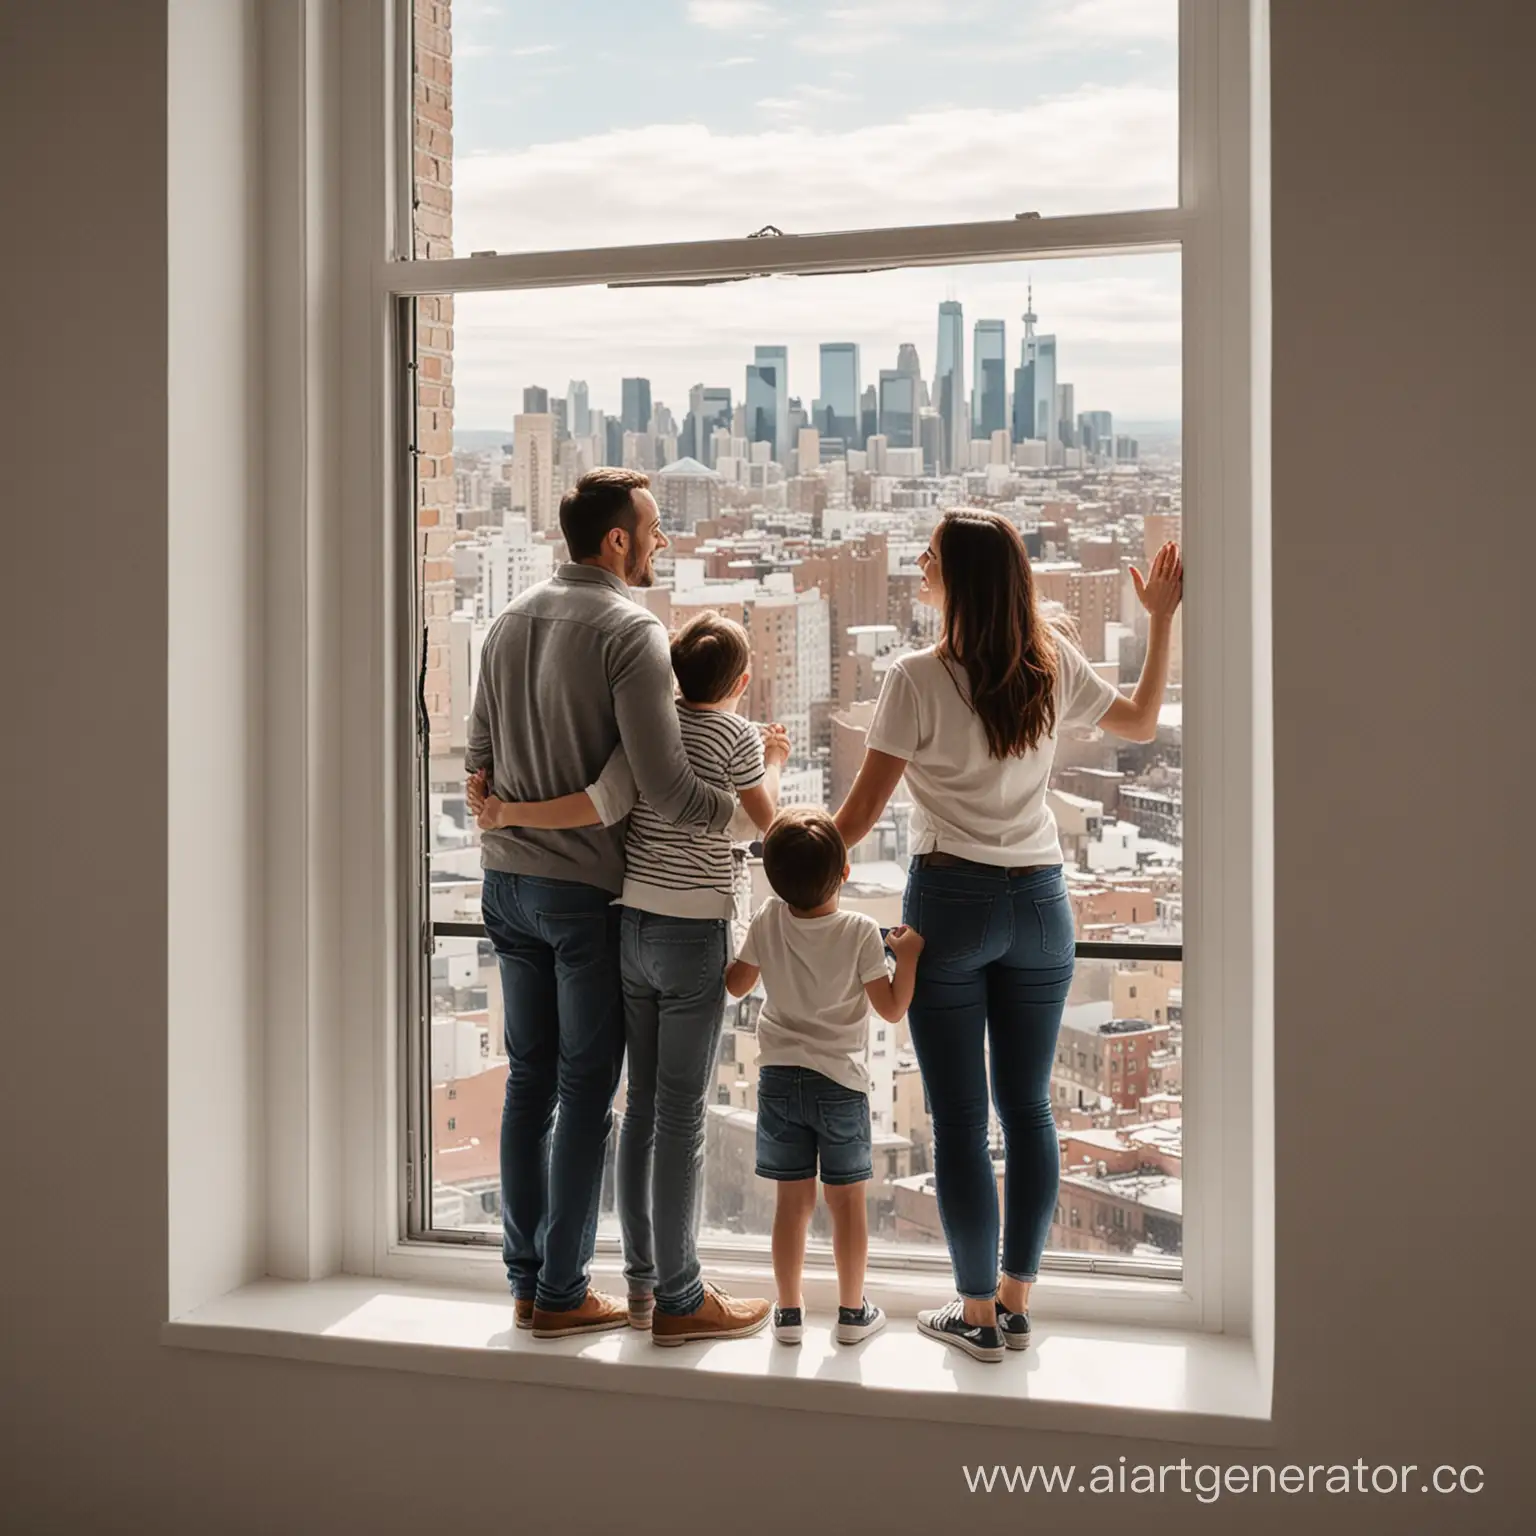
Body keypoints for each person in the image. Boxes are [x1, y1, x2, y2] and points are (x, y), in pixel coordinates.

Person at [833, 511, 1183, 1362]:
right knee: (1029, 1112)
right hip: (1040, 905)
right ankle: (1018, 1302)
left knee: (958, 1122)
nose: (919, 563)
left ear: (960, 576)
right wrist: (1161, 618)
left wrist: (768, 834)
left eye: (932, 555)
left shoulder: (915, 677)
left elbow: (854, 824)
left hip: (949, 903)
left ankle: (977, 1315)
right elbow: (1139, 721)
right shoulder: (1049, 660)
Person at [464, 468, 737, 1340]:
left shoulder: (508, 621)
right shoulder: (631, 630)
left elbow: (476, 757)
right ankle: (561, 1292)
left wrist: (503, 805)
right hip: (583, 894)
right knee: (587, 1091)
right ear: (617, 540)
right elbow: (660, 786)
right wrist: (761, 824)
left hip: (506, 885)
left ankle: (526, 1278)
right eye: (653, 529)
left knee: (528, 1084)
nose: (661, 542)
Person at [472, 611, 786, 1345]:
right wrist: (771, 758)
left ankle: (641, 1283)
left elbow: (608, 800)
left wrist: (504, 811)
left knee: (638, 1106)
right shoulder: (737, 737)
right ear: (742, 683)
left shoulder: (646, 731)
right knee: (684, 1118)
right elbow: (767, 825)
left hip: (632, 927)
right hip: (693, 933)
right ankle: (679, 1296)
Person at [725, 808, 924, 1347]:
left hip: (780, 1081)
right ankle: (851, 1313)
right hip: (840, 1084)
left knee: (792, 1206)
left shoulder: (768, 918)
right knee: (847, 1204)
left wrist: (741, 930)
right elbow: (891, 1009)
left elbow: (738, 984)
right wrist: (906, 956)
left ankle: (788, 1314)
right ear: (845, 872)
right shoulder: (860, 931)